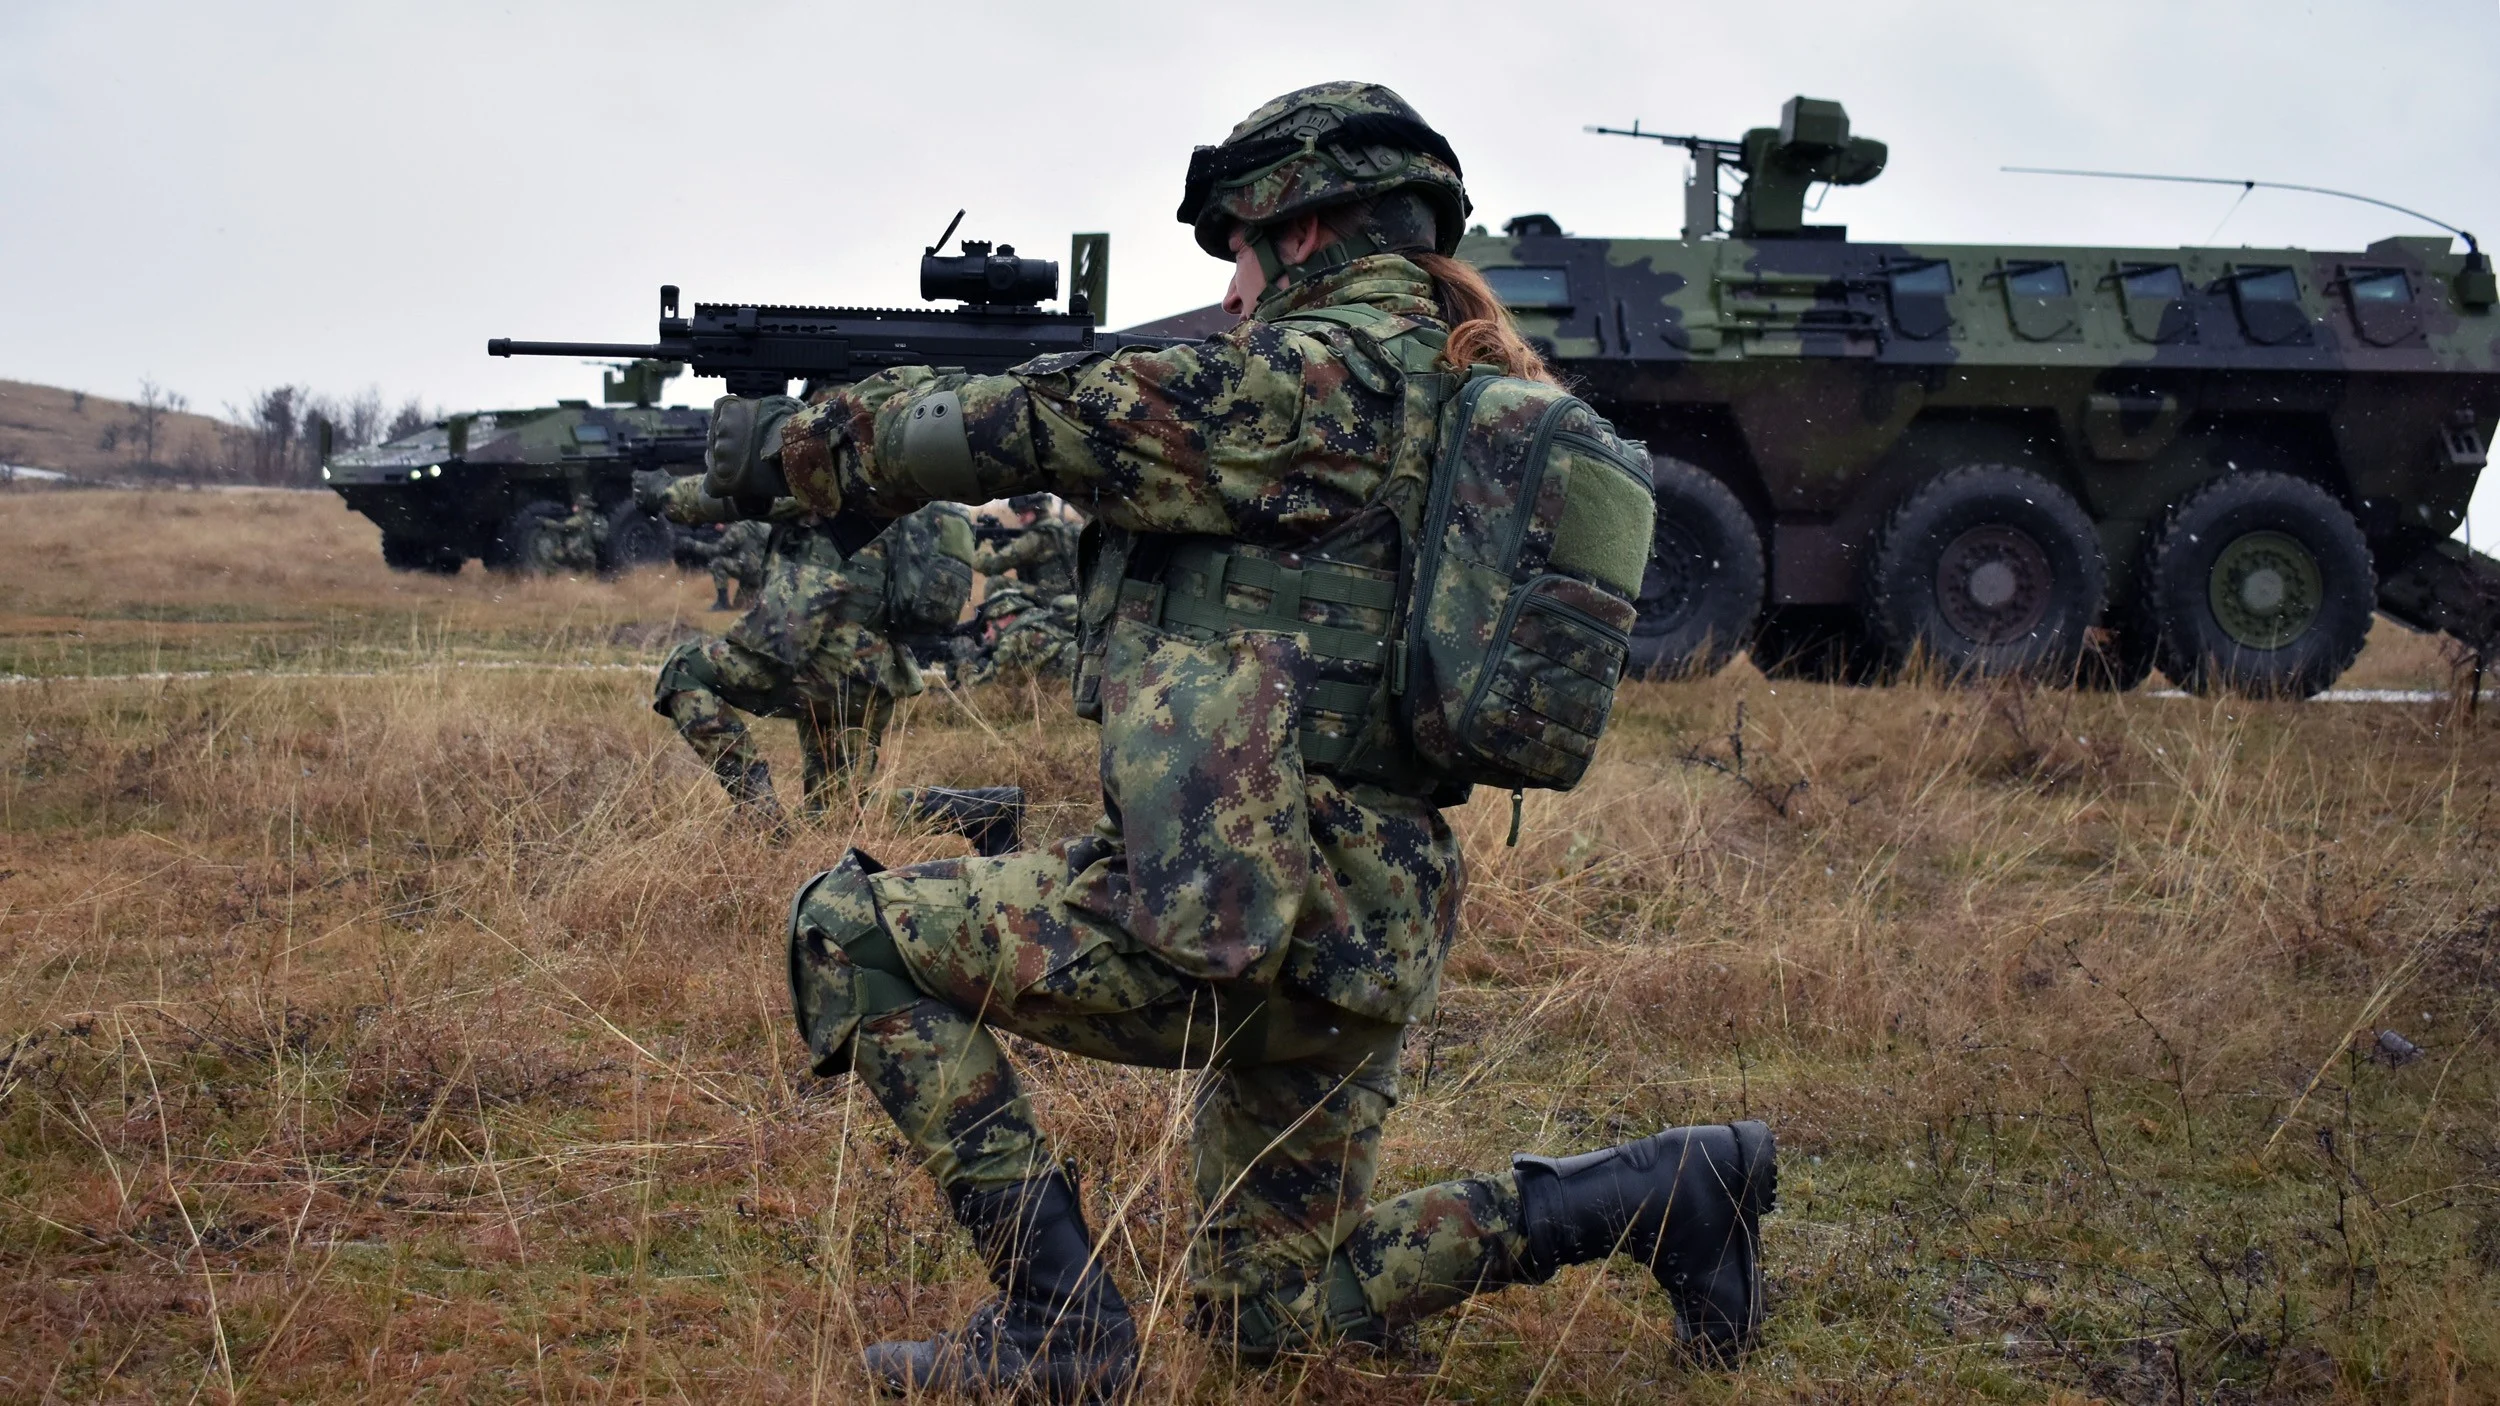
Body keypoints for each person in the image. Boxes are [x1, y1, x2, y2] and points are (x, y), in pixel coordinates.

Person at [702, 84, 1774, 1401]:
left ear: (1305, 232)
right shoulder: (1447, 386)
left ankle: (1060, 1326)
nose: (1229, 295)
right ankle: (1665, 1190)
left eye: (1240, 257)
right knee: (1265, 1313)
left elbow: (1029, 424)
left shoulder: (1311, 385)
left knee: (847, 932)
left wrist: (789, 445)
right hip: (1369, 918)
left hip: (1258, 905)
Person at [636, 469, 974, 822]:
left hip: (821, 659)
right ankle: (985, 810)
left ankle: (761, 813)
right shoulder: (894, 478)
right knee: (837, 813)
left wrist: (663, 492)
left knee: (684, 670)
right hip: (876, 673)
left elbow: (736, 493)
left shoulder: (829, 470)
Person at [975, 492, 1083, 599]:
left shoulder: (1036, 536)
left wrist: (968, 552)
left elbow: (992, 566)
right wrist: (1003, 544)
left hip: (1049, 596)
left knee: (996, 582)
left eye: (1024, 512)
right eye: (1018, 513)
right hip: (1072, 594)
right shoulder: (1062, 528)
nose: (1020, 518)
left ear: (1037, 510)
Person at [700, 516, 771, 611]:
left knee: (717, 563)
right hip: (763, 573)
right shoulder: (766, 527)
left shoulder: (742, 527)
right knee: (740, 607)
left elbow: (717, 549)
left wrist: (692, 545)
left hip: (747, 571)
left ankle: (722, 603)